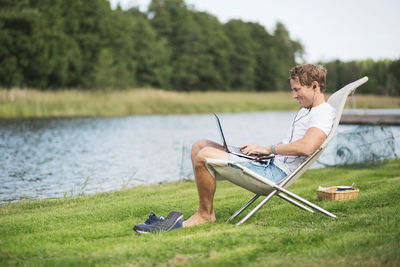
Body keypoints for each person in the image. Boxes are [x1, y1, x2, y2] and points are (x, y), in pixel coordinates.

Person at [183, 64, 336, 227]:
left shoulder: (323, 113)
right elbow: (291, 143)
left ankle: (205, 215)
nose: (293, 95)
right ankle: (207, 211)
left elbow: (306, 147)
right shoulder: (307, 110)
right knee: (200, 145)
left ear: (314, 86)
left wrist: (268, 149)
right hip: (269, 162)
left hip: (275, 174)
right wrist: (260, 149)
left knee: (204, 154)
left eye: (297, 89)